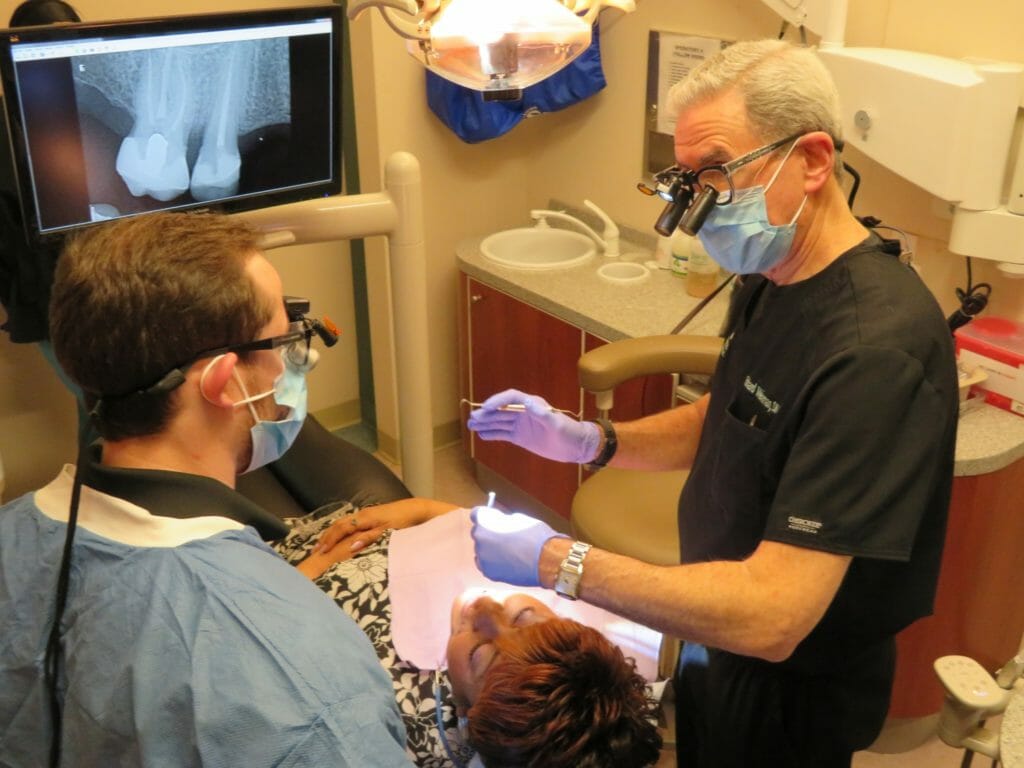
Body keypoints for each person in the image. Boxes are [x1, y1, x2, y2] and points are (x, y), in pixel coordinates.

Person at [466, 39, 959, 768]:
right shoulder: (773, 272)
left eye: (717, 174)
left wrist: (558, 564)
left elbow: (774, 616)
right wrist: (591, 442)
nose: (696, 209)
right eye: (686, 180)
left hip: (788, 681)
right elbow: (728, 417)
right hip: (711, 618)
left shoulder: (874, 355)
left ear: (814, 160)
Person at [0, 213, 411, 767]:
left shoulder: (12, 531)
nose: (296, 360)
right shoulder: (316, 706)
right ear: (223, 381)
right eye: (283, 338)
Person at [274, 499, 664, 768]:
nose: (483, 608)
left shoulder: (391, 716)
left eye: (479, 653)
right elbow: (466, 523)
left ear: (469, 717)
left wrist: (311, 568)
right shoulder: (587, 643)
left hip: (278, 570)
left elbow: (254, 626)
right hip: (367, 527)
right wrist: (416, 509)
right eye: (524, 614)